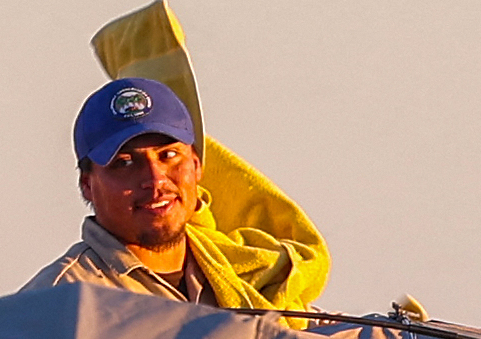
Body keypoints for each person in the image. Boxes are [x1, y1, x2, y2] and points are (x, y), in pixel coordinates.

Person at [32, 76, 325, 308]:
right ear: (87, 185)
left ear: (197, 166)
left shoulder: (241, 277)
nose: (155, 179)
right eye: (125, 163)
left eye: (168, 156)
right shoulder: (59, 300)